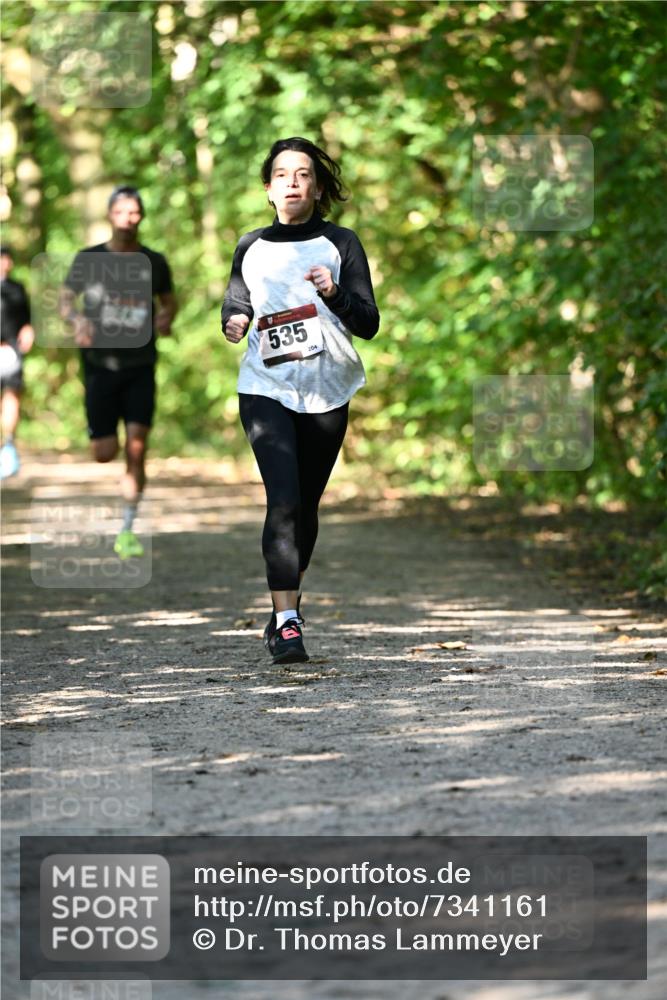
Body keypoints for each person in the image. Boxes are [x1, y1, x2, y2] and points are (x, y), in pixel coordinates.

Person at [221, 137, 380, 664]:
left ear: (317, 188)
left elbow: (369, 323)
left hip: (328, 389)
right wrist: (235, 321)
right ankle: (288, 622)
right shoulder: (251, 246)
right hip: (265, 388)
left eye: (304, 174)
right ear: (268, 189)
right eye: (283, 174)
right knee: (283, 500)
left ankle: (283, 605)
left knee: (305, 508)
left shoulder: (341, 243)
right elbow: (237, 298)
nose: (293, 181)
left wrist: (334, 294)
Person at [59, 186, 177, 558]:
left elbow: (169, 301)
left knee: (137, 448)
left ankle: (127, 527)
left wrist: (166, 317)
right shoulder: (89, 259)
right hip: (99, 366)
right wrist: (76, 319)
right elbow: (65, 298)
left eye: (135, 213)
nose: (128, 219)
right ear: (110, 215)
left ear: (141, 216)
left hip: (140, 364)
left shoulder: (154, 261)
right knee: (104, 452)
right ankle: (105, 439)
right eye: (121, 212)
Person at [1, 245, 35, 479]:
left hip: (11, 351)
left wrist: (28, 332)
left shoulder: (17, 289)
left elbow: (27, 320)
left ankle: (8, 445)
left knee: (12, 396)